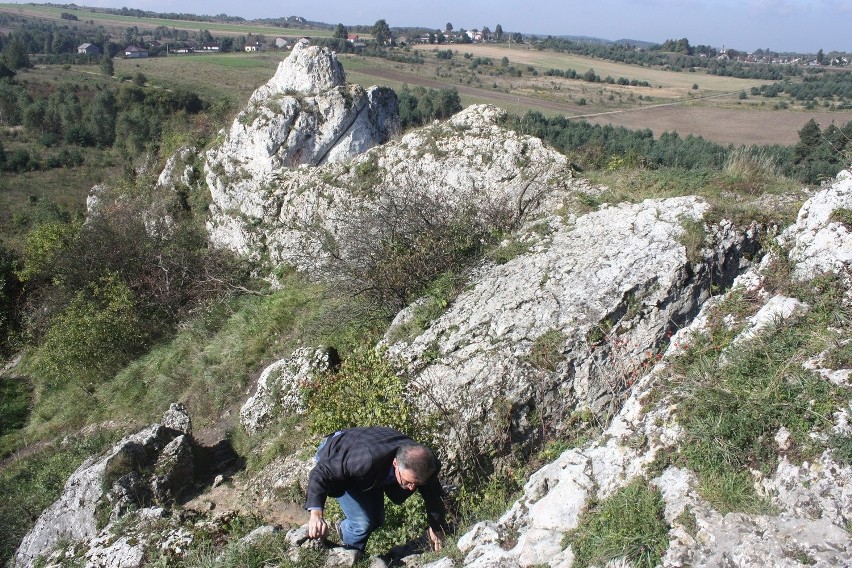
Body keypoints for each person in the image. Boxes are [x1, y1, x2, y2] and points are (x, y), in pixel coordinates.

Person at [305, 426, 448, 556]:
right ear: (395, 464)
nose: (412, 488)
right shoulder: (365, 460)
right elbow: (321, 472)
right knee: (362, 524)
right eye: (408, 482)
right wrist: (316, 514)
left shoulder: (425, 464)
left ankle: (344, 529)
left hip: (370, 468)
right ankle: (350, 557)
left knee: (377, 519)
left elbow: (433, 495)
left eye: (416, 484)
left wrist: (436, 528)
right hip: (335, 453)